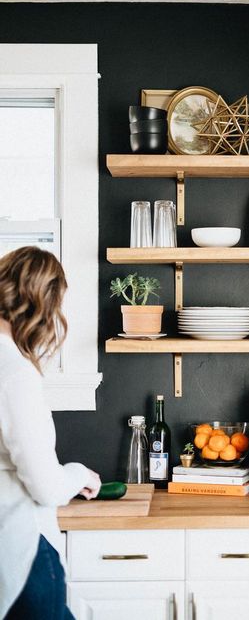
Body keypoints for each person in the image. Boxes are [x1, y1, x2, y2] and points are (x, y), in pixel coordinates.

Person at [0, 247, 101, 619]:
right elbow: (43, 485)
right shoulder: (14, 373)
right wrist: (78, 475)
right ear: (41, 302)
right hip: (20, 551)